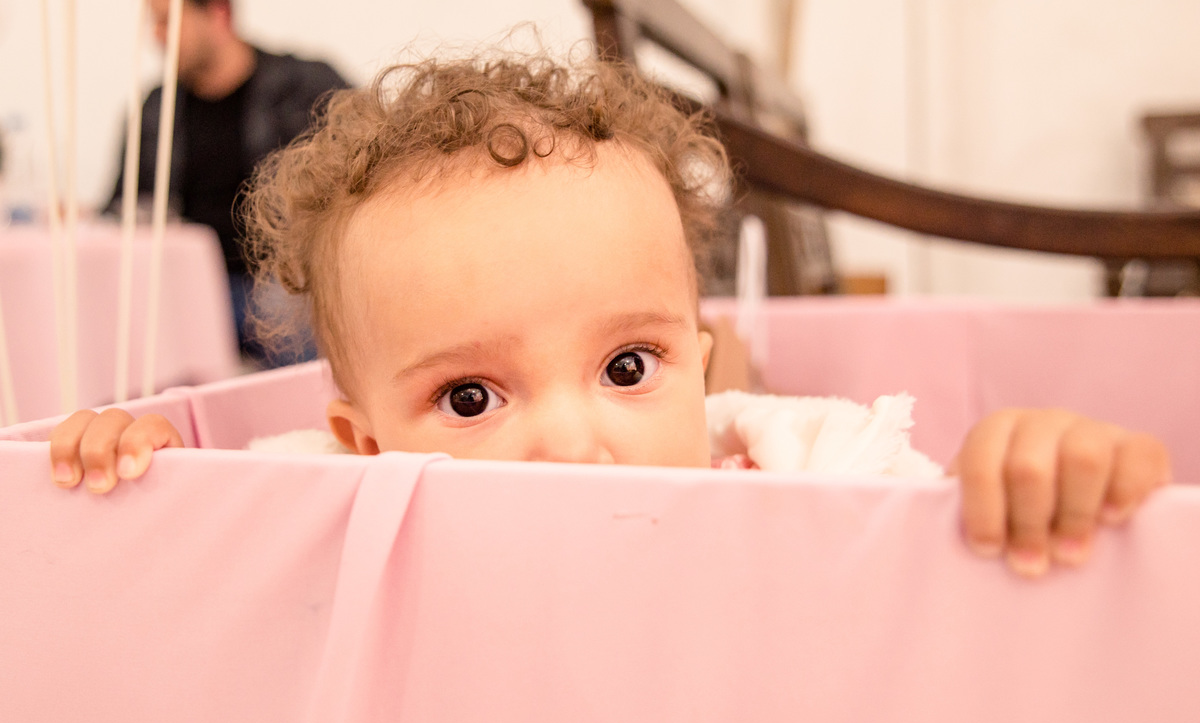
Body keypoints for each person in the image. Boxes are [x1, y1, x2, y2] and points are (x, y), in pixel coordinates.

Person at [58, 46, 1170, 578]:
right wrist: (148, 475)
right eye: (471, 394)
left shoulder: (798, 463)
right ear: (366, 436)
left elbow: (937, 544)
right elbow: (236, 515)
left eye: (628, 369)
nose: (575, 444)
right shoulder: (353, 486)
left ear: (701, 364)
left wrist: (1022, 473)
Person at [106, 0, 350, 364]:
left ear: (219, 14)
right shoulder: (157, 108)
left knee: (286, 312)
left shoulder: (305, 86)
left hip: (284, 277)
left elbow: (367, 168)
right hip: (189, 286)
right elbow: (124, 203)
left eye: (166, 22)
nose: (157, 37)